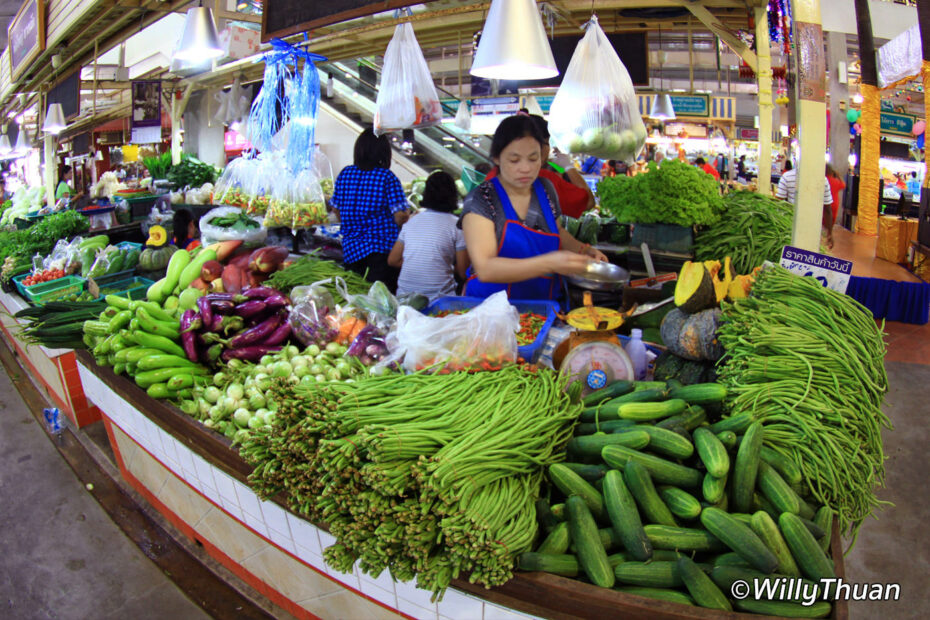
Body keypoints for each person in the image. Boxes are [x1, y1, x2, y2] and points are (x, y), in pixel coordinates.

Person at [459, 115, 607, 302]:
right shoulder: (482, 199)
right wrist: (549, 263)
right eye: (514, 160)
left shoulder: (545, 189)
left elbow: (557, 231)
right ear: (497, 158)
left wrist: (583, 250)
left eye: (533, 158)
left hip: (541, 307)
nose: (526, 168)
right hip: (491, 311)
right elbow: (486, 269)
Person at [331, 128, 409, 292]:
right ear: (383, 151)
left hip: (351, 250)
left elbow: (335, 209)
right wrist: (410, 216)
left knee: (357, 298)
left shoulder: (346, 173)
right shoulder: (386, 177)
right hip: (382, 252)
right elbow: (400, 216)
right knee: (381, 302)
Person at [484, 115, 595, 217]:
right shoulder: (545, 180)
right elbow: (588, 202)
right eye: (547, 143)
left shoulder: (491, 177)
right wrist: (569, 167)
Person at [388, 171, 469, 302]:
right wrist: (441, 266)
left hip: (404, 299)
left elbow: (393, 260)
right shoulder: (457, 226)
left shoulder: (411, 221)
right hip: (438, 301)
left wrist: (418, 262)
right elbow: (463, 272)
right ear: (453, 196)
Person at [775, 165, 834, 247]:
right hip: (814, 228)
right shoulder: (823, 179)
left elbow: (778, 204)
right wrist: (829, 233)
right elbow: (827, 209)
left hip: (790, 226)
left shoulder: (786, 177)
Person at [825, 165, 846, 249]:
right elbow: (843, 185)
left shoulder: (824, 180)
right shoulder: (835, 181)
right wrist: (838, 176)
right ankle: (829, 234)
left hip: (824, 204)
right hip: (834, 204)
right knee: (830, 221)